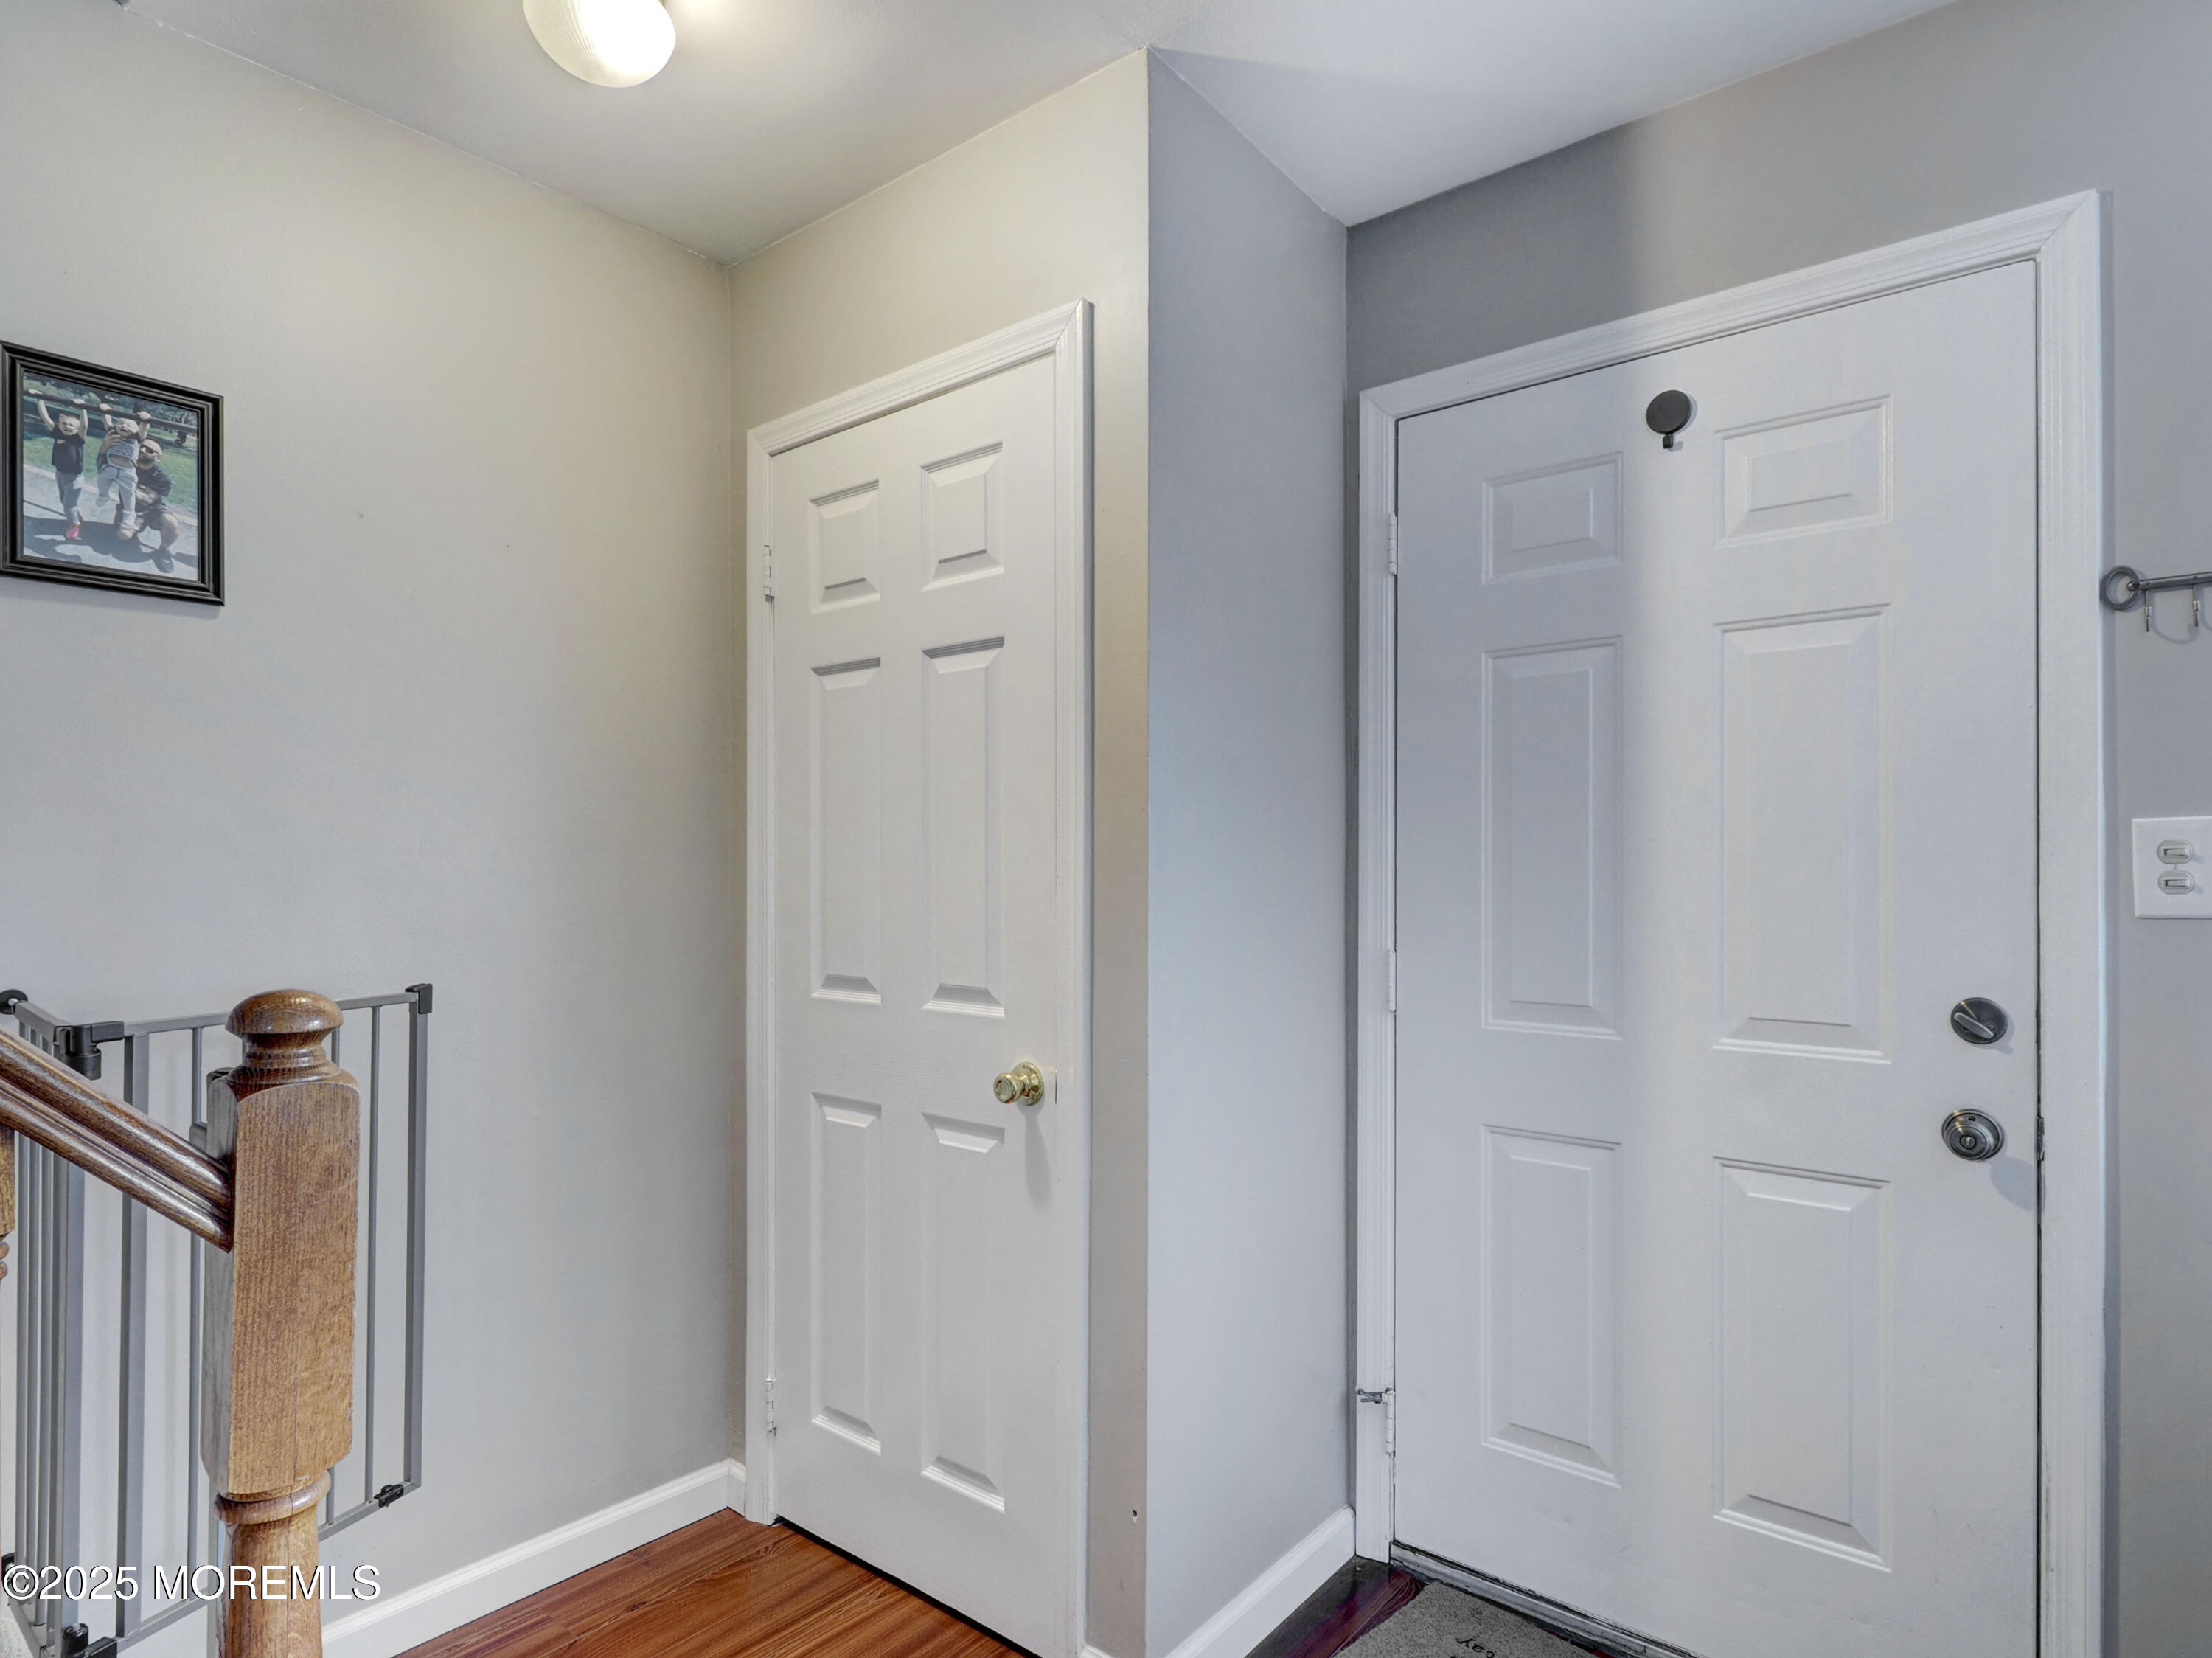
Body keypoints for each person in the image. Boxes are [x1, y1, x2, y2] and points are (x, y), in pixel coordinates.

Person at [33, 398, 88, 541]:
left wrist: (83, 408)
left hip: (75, 478)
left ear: (77, 428)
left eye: (71, 425)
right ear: (59, 424)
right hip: (60, 474)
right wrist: (40, 400)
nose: (67, 426)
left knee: (68, 505)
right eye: (64, 423)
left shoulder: (78, 439)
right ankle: (76, 516)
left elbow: (85, 426)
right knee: (65, 501)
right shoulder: (58, 433)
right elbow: (45, 418)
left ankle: (74, 525)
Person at [131, 440, 184, 573]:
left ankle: (163, 550)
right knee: (124, 536)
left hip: (153, 509)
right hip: (130, 509)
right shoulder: (127, 465)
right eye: (142, 447)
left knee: (172, 522)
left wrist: (127, 485)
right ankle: (131, 530)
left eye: (150, 450)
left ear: (158, 458)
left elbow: (147, 501)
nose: (143, 450)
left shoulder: (162, 478)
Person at [94, 413, 142, 534]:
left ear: (136, 429)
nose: (124, 426)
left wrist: (145, 420)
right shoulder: (114, 432)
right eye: (120, 423)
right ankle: (103, 495)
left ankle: (129, 515)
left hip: (127, 473)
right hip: (111, 467)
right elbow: (107, 421)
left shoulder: (137, 437)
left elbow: (145, 428)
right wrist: (105, 411)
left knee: (129, 495)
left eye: (129, 425)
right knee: (101, 480)